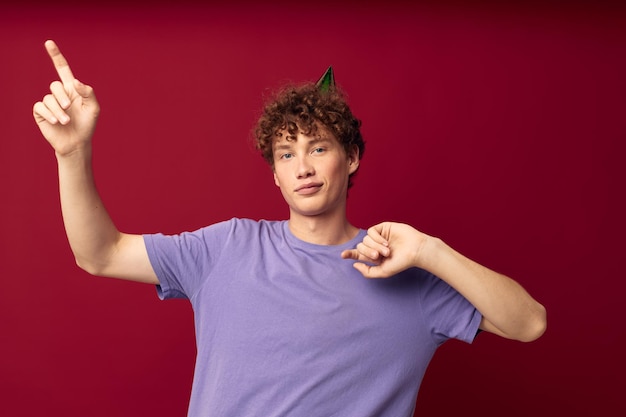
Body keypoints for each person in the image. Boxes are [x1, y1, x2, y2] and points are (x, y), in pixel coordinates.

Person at [33, 40, 546, 417]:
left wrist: (431, 251)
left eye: (318, 147)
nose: (302, 166)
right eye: (286, 153)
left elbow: (530, 323)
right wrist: (73, 153)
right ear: (275, 175)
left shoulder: (402, 267)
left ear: (351, 159)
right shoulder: (226, 247)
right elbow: (98, 254)